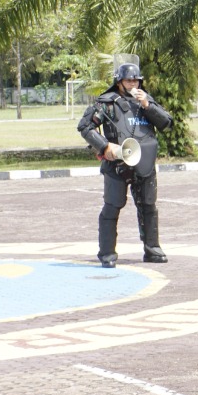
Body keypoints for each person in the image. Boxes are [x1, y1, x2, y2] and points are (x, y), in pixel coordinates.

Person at [77, 58, 173, 268]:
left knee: (149, 206)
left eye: (136, 81)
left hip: (145, 164)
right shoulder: (107, 103)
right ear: (119, 82)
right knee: (112, 207)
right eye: (128, 81)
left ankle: (152, 249)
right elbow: (85, 127)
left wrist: (148, 105)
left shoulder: (146, 101)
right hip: (117, 165)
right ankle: (107, 253)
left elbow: (166, 122)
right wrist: (104, 147)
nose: (133, 85)